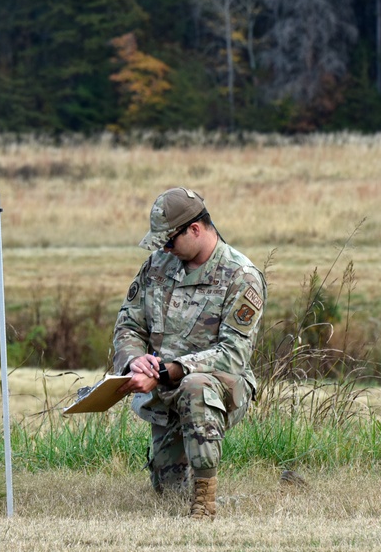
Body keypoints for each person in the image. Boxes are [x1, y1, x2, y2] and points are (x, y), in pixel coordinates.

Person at [113, 187, 266, 521]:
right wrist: (133, 359)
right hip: (164, 391)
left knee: (196, 386)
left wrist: (168, 371)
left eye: (170, 241)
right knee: (168, 492)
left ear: (195, 229)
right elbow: (128, 324)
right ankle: (186, 476)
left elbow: (232, 355)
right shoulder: (157, 266)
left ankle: (205, 502)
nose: (165, 249)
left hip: (219, 386)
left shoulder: (241, 277)